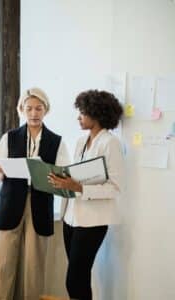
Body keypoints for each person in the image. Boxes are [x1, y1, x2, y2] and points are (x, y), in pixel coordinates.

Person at [0, 87, 70, 300]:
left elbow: (64, 176)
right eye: (29, 108)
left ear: (46, 110)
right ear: (21, 110)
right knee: (2, 261)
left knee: (35, 264)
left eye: (38, 108)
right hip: (10, 202)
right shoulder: (10, 137)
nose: (34, 113)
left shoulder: (57, 141)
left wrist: (53, 176)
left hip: (40, 203)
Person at [48, 89, 124, 300]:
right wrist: (60, 181)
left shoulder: (111, 143)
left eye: (82, 112)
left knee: (75, 279)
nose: (78, 117)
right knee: (77, 278)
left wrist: (79, 188)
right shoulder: (81, 142)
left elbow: (115, 187)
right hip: (71, 218)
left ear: (96, 113)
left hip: (93, 222)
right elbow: (77, 177)